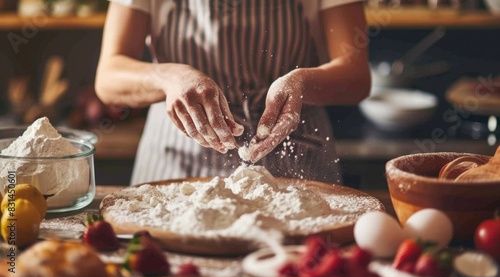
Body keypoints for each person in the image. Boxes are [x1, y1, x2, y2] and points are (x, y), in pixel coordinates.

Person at [95, 0, 371, 185]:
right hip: (178, 167)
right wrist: (169, 77)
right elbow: (109, 77)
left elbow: (356, 76)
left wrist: (302, 82)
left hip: (296, 167)